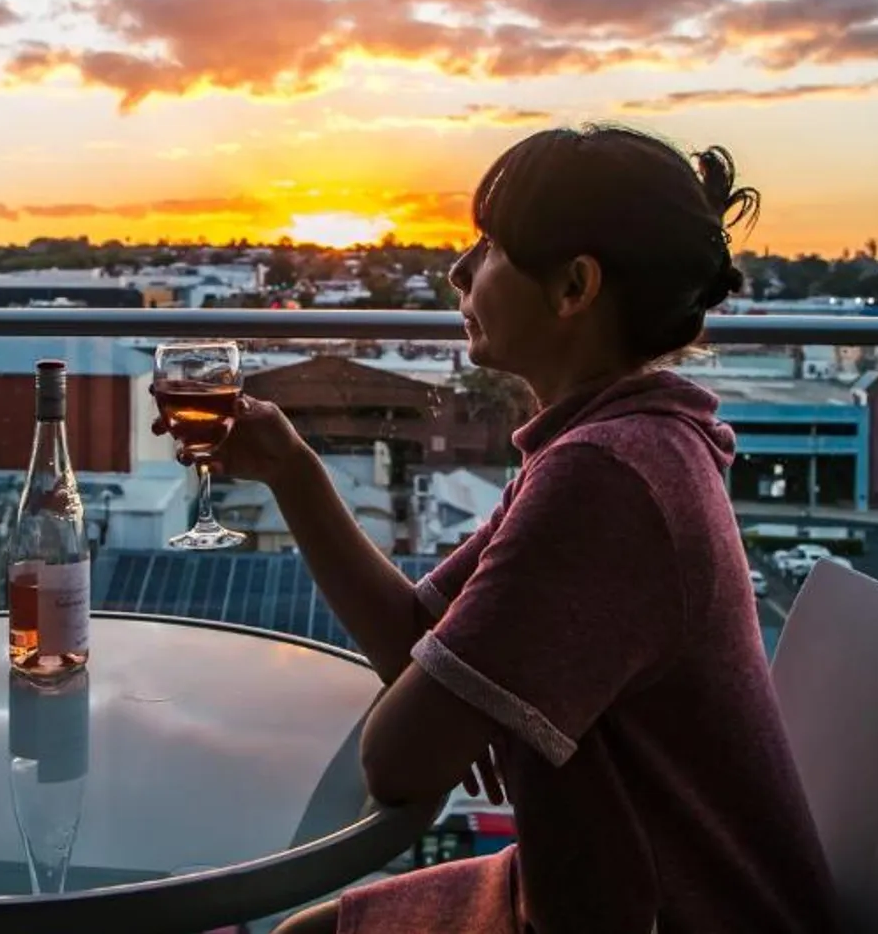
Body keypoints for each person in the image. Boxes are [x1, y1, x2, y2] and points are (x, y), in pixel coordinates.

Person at [156, 124, 839, 933]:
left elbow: (401, 763)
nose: (458, 270)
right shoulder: (623, 442)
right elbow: (418, 634)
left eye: (489, 246)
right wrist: (293, 473)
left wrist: (455, 703)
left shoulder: (607, 478)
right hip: (590, 885)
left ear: (574, 286)